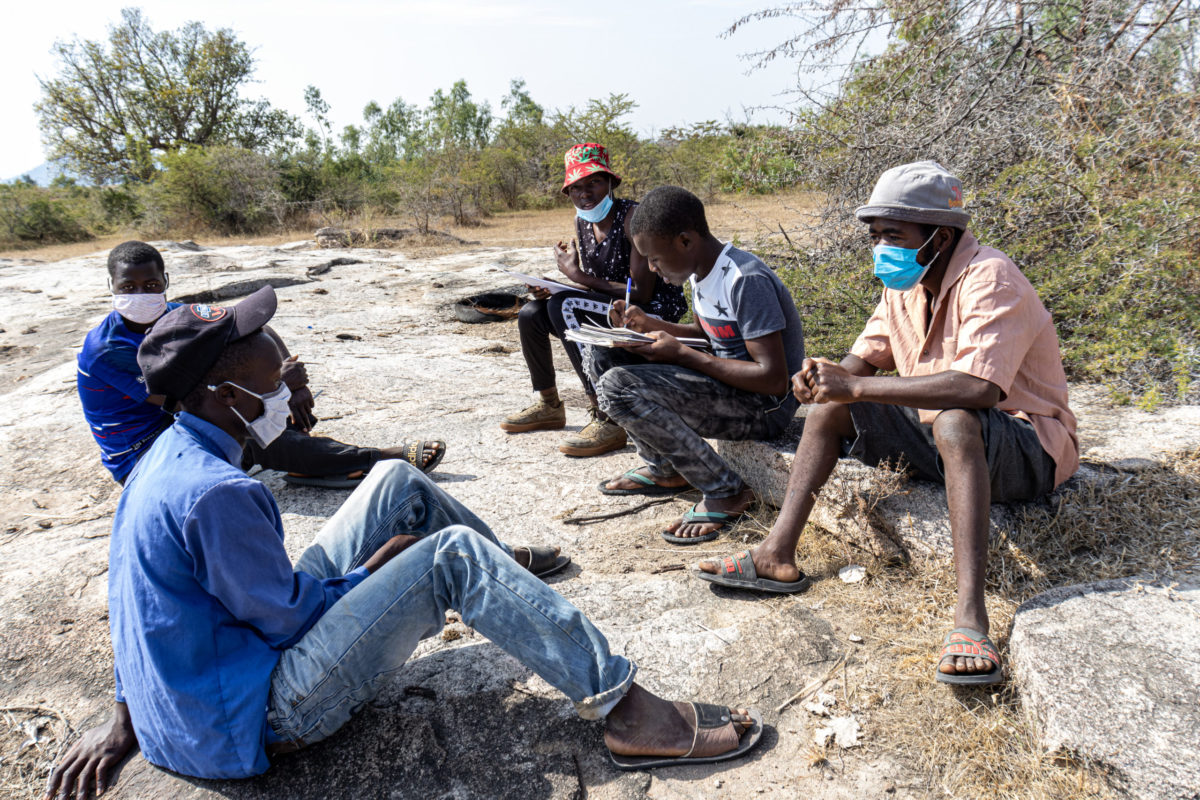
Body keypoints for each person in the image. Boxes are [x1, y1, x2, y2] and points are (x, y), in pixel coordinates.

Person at [45, 287, 762, 798]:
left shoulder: (167, 462)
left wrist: (126, 712)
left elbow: (142, 597)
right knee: (447, 559)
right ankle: (628, 714)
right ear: (227, 398)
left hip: (221, 666)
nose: (291, 389)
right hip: (261, 710)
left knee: (394, 479)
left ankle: (502, 580)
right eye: (277, 381)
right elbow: (289, 619)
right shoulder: (219, 493)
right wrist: (369, 573)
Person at [697, 161, 1079, 686]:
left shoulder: (990, 276)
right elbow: (858, 368)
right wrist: (818, 380)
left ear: (939, 238)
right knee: (833, 409)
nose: (882, 249)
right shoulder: (905, 286)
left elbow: (977, 389)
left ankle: (971, 618)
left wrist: (853, 386)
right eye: (876, 236)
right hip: (946, 431)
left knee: (955, 420)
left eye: (894, 236)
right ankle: (775, 553)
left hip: (1029, 449)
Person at [76, 241, 443, 487]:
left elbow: (250, 327)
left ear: (166, 282)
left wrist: (291, 386)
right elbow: (173, 399)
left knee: (258, 395)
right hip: (143, 454)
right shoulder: (106, 349)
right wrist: (269, 391)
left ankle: (308, 460)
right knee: (244, 422)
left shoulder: (174, 315)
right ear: (111, 286)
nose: (141, 294)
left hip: (179, 423)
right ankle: (371, 458)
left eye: (151, 284)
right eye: (128, 287)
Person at [591, 186, 806, 545]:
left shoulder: (745, 279)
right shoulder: (700, 273)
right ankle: (666, 469)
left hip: (764, 407)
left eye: (655, 259)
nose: (652, 269)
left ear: (685, 241)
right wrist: (651, 326)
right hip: (728, 387)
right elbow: (707, 335)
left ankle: (725, 490)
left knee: (618, 386)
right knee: (607, 356)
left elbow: (773, 380)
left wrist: (682, 355)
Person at [500, 144, 687, 457]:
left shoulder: (633, 218)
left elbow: (639, 292)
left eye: (593, 183)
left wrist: (576, 278)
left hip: (647, 311)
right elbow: (597, 290)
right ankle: (549, 404)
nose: (584, 194)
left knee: (565, 305)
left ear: (610, 183)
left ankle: (606, 414)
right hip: (613, 306)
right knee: (533, 312)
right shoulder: (582, 223)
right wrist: (556, 287)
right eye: (576, 187)